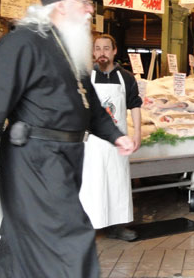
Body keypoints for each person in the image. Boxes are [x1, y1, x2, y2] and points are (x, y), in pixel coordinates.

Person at [0, 0, 135, 277]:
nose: (89, 11)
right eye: (84, 3)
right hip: (33, 158)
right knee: (71, 236)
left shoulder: (70, 45)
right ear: (60, 5)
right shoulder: (22, 43)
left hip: (65, 158)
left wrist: (115, 135)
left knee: (22, 239)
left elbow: (90, 104)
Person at [79, 34, 143, 241]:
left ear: (114, 51)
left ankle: (117, 226)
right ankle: (89, 226)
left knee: (117, 182)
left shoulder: (126, 77)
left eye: (106, 48)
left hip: (119, 140)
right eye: (98, 49)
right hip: (91, 142)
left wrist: (137, 134)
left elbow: (135, 105)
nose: (102, 53)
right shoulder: (85, 76)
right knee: (91, 182)